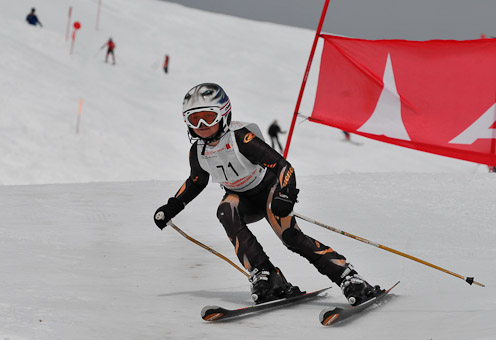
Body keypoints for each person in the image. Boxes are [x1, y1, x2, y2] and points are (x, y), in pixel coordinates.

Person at [154, 83, 383, 305]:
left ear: (224, 115)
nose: (202, 124)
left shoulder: (240, 138)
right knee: (226, 210)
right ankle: (266, 275)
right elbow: (195, 182)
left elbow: (283, 167)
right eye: (194, 119)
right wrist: (171, 207)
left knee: (290, 238)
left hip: (270, 193)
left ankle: (348, 277)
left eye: (208, 117)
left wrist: (286, 195)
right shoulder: (198, 151)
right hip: (242, 200)